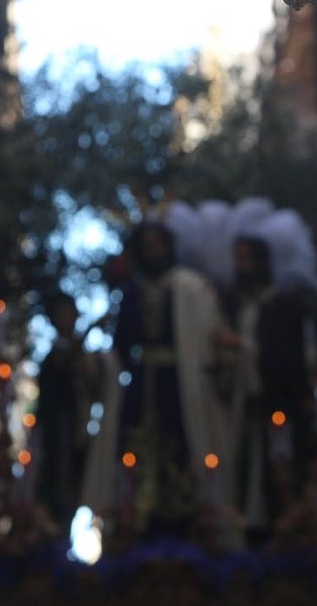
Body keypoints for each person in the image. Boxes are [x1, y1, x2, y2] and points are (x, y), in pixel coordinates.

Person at [112, 222, 231, 536]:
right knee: (137, 447)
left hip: (178, 383)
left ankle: (185, 518)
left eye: (158, 245)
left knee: (180, 445)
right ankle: (136, 517)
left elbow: (207, 333)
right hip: (142, 383)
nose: (154, 253)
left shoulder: (189, 287)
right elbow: (122, 344)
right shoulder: (132, 292)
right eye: (147, 246)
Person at [221, 234, 315, 539]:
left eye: (246, 259)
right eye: (237, 259)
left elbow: (286, 357)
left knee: (278, 476)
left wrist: (242, 345)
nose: (241, 266)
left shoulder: (284, 305)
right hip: (243, 406)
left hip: (277, 406)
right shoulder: (236, 305)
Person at [34, 292, 115, 533]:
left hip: (81, 435)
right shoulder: (53, 359)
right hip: (60, 437)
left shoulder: (85, 358)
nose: (68, 318)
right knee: (61, 490)